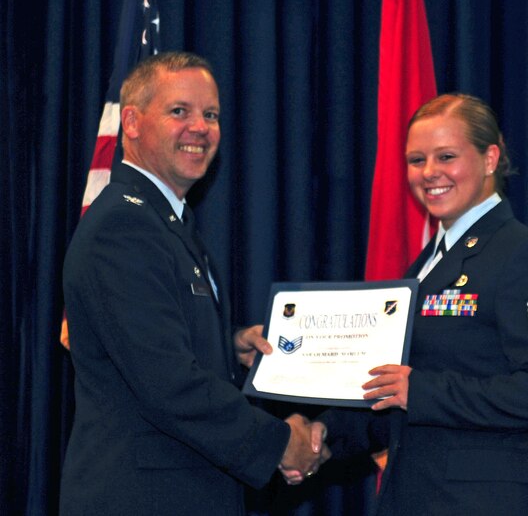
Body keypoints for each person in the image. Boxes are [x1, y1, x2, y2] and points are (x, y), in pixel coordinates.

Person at [60, 52, 328, 516]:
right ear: (132, 122)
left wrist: (227, 346)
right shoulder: (124, 227)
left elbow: (150, 344)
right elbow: (168, 384)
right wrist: (281, 443)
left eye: (211, 115)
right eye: (179, 111)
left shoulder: (164, 221)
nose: (200, 127)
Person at [298, 94, 528, 514]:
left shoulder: (525, 252)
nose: (429, 172)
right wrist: (323, 434)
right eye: (417, 160)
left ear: (490, 158)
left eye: (446, 156)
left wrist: (422, 390)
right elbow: (397, 394)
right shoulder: (428, 263)